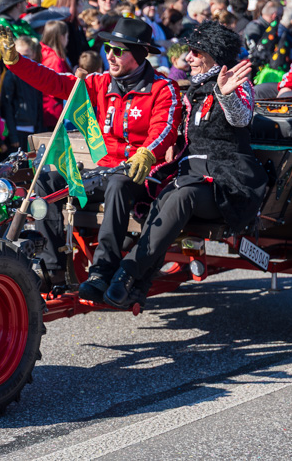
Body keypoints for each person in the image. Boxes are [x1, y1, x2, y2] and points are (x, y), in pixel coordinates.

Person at [0, 18, 182, 299]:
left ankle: (102, 270)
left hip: (141, 175)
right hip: (103, 171)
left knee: (119, 182)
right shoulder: (99, 83)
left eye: (119, 51)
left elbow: (165, 128)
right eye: (108, 49)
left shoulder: (163, 88)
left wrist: (147, 152)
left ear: (140, 54)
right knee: (47, 181)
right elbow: (54, 82)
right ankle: (52, 266)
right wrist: (15, 61)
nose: (109, 56)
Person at [103, 22, 267, 308]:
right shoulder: (195, 89)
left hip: (227, 180)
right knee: (165, 194)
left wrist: (226, 95)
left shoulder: (237, 86)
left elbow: (241, 119)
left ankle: (126, 273)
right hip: (191, 173)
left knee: (182, 195)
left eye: (195, 52)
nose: (187, 58)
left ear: (212, 57)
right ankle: (133, 284)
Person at [0, 37, 45, 151]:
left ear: (34, 54)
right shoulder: (11, 75)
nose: (22, 60)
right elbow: (7, 106)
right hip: (18, 130)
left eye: (26, 55)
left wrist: (39, 131)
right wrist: (13, 135)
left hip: (33, 131)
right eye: (18, 56)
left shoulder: (36, 75)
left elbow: (39, 104)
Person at [39, 20, 71, 125]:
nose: (68, 39)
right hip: (54, 112)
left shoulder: (45, 53)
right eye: (67, 36)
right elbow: (56, 88)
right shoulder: (54, 60)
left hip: (50, 109)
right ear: (61, 37)